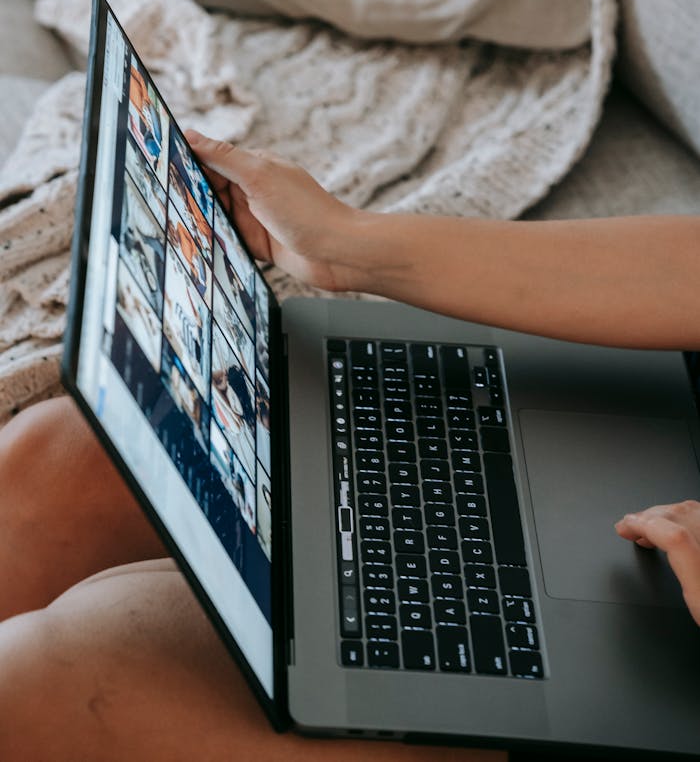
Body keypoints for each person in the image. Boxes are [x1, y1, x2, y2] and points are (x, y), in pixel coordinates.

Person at [0, 132, 698, 761]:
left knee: (46, 684)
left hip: (671, 669)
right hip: (648, 407)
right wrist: (345, 244)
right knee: (51, 468)